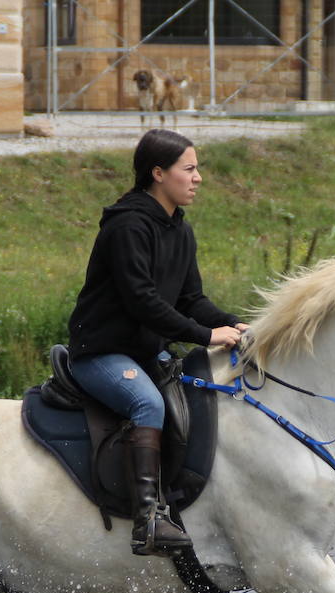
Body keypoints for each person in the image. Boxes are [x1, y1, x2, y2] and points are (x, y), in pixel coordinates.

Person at [67, 128, 247, 557]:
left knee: (196, 400)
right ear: (158, 173)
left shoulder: (178, 230)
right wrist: (205, 336)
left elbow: (191, 300)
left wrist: (234, 324)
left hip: (147, 352)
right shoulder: (128, 226)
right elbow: (141, 301)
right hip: (102, 353)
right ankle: (148, 519)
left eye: (197, 168)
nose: (198, 177)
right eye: (189, 169)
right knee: (147, 405)